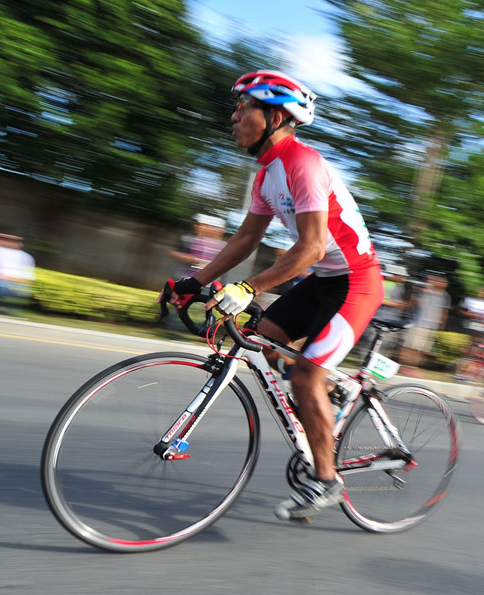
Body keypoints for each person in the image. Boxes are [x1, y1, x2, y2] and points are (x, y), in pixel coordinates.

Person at [166, 70, 383, 521]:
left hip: (357, 280)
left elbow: (312, 247)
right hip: (321, 280)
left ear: (275, 116)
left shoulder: (302, 163)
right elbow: (246, 239)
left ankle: (326, 480)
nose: (234, 117)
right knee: (262, 337)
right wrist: (196, 279)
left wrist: (248, 288)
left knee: (305, 377)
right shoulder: (267, 175)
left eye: (243, 108)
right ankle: (322, 408)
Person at [399, 272, 450, 375]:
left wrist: (441, 326)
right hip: (417, 323)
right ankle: (402, 366)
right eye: (438, 280)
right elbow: (413, 304)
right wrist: (421, 292)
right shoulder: (423, 291)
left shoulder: (445, 296)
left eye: (443, 281)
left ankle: (412, 368)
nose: (442, 283)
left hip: (431, 326)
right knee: (409, 346)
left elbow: (444, 312)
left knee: (420, 349)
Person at [169, 213, 227, 280]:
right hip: (184, 278)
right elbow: (174, 253)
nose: (197, 226)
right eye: (200, 225)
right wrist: (196, 260)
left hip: (207, 282)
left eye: (205, 225)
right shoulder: (188, 239)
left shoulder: (223, 246)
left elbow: (223, 264)